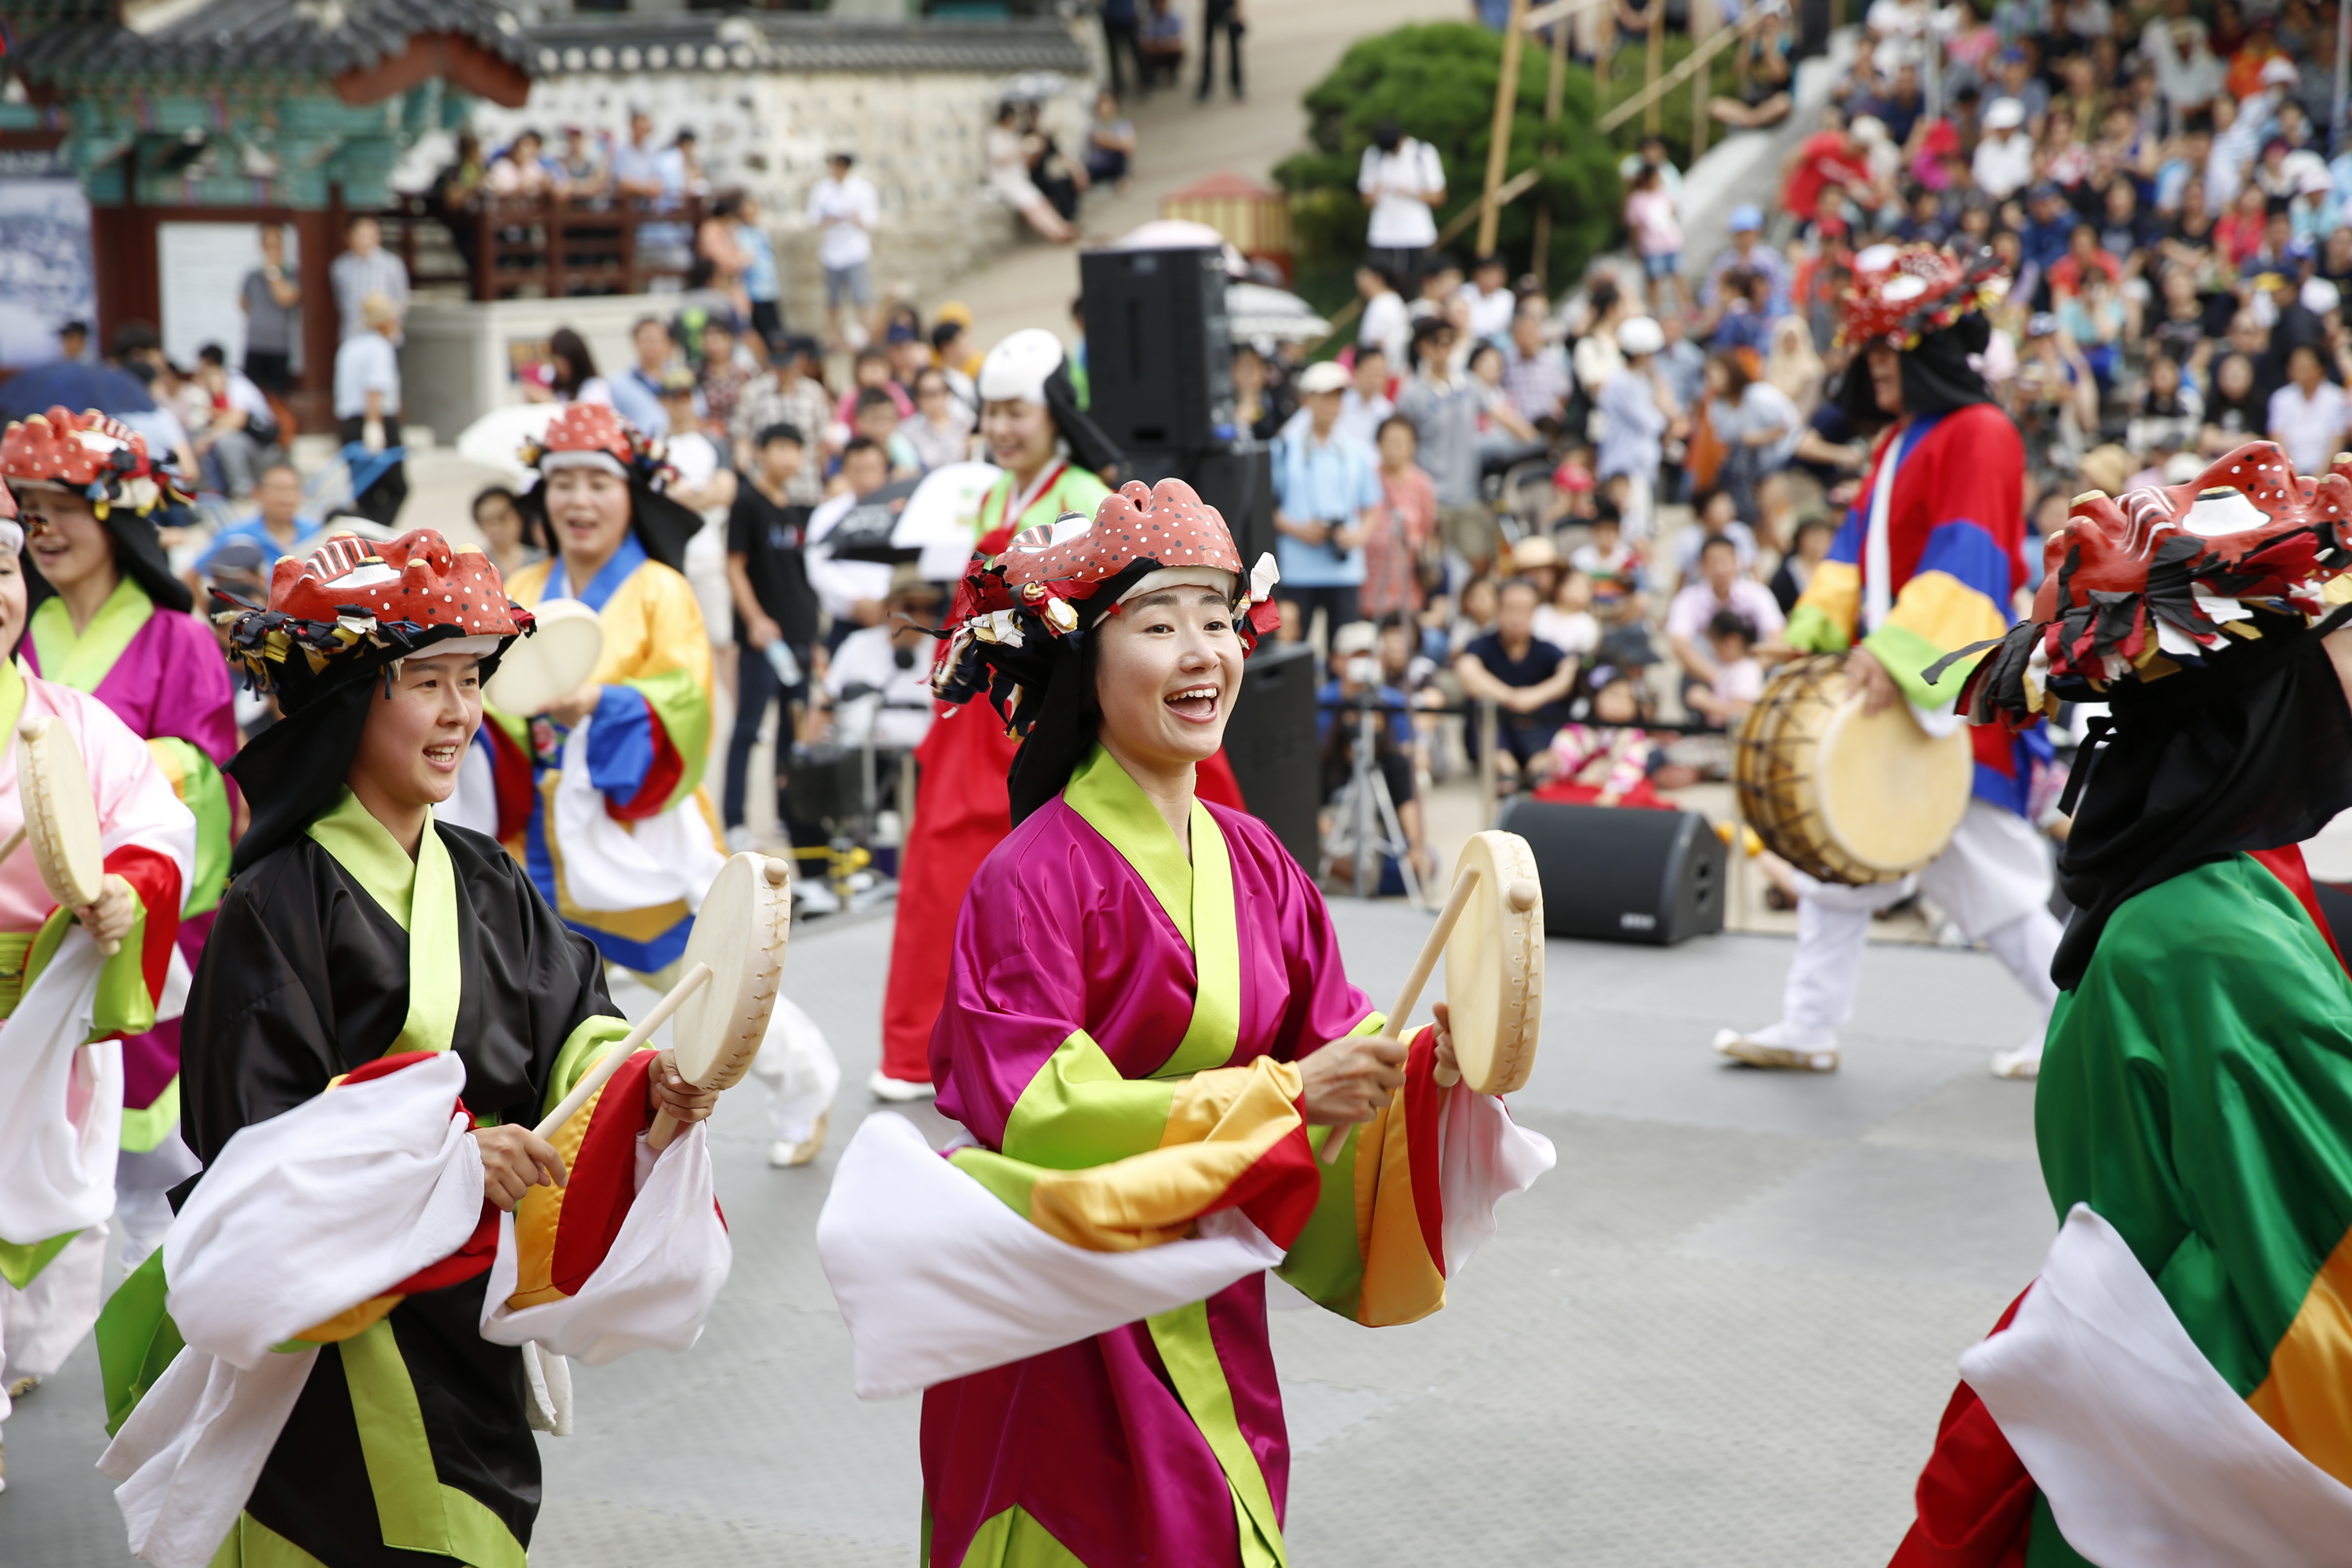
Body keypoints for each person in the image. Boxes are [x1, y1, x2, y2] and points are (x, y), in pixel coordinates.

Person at [823, 475, 1551, 1564]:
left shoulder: (1256, 860)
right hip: (1063, 1317)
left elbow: (1335, 1057)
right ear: (1088, 661)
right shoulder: (1031, 876)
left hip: (1209, 1303)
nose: (1203, 650)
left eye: (1220, 619)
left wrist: (1425, 1073)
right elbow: (1040, 1110)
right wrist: (1293, 1097)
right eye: (1159, 624)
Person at [94, 526, 726, 1563]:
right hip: (335, 1340)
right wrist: (442, 1164)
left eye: (470, 680)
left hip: (465, 1316)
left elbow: (577, 1029)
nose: (458, 714)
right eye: (424, 681)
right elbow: (258, 1154)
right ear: (349, 701)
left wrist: (644, 1086)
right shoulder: (274, 904)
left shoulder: (487, 876)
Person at [1885, 445, 2352, 1566]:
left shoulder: (2205, 893)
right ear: (2268, 688)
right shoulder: (2214, 943)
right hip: (2202, 1460)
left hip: (2146, 1432)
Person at [1714, 245, 2065, 1080]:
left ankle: (2075, 1020)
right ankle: (1809, 1023)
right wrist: (1810, 638)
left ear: (1926, 348)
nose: (1872, 368)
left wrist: (1893, 656)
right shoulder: (1906, 439)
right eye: (1868, 351)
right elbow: (1847, 559)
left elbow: (1966, 560)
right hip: (1902, 685)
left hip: (1941, 688)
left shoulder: (1980, 432)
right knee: (1841, 875)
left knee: (1997, 882)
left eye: (1885, 350)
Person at [0, 464, 195, 1494]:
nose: (24, 556)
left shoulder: (76, 713)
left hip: (54, 997)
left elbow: (166, 816)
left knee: (72, 1209)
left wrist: (131, 885)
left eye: (5, 559)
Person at [873, 329, 1134, 1098]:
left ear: (1055, 410)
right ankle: (928, 1043)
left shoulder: (1086, 492)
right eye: (992, 411)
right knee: (941, 868)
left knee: (1047, 880)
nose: (1004, 427)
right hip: (977, 707)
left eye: (1018, 409)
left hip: (1039, 710)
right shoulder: (993, 491)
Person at [5, 405, 232, 1266]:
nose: (41, 530)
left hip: (139, 911)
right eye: (27, 512)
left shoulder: (178, 637)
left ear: (114, 511)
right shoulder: (22, 636)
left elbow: (210, 777)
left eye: (58, 507)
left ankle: (170, 1299)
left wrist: (101, 781)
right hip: (32, 927)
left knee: (145, 1150)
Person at [497, 404, 723, 980]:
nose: (579, 501)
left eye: (599, 484)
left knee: (709, 996)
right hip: (535, 839)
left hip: (636, 822)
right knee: (546, 1017)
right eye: (563, 483)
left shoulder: (660, 590)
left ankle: (808, 1074)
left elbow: (687, 700)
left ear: (632, 496)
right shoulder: (520, 586)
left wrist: (602, 703)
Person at [724, 422, 819, 855]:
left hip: (799, 635)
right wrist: (756, 619)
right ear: (761, 451)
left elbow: (804, 578)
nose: (788, 457)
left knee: (791, 731)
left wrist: (815, 637)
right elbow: (735, 566)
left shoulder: (799, 510)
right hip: (763, 639)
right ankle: (735, 821)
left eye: (795, 448)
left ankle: (787, 814)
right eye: (780, 446)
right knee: (748, 728)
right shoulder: (747, 503)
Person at [1271, 360, 1380, 647]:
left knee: (1346, 648)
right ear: (1307, 399)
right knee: (1292, 645)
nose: (1331, 405)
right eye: (1324, 397)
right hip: (1297, 565)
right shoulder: (1284, 447)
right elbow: (1266, 506)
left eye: (1338, 397)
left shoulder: (1357, 452)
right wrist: (1298, 530)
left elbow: (1373, 505)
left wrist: (1359, 535)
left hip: (1343, 565)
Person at [1454, 575, 1581, 786]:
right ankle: (1505, 768)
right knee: (1485, 706)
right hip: (1497, 737)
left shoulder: (1546, 649)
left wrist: (1533, 697)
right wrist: (1511, 697)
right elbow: (1467, 670)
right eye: (1510, 608)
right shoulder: (1482, 645)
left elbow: (1569, 672)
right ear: (1498, 610)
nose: (1516, 617)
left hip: (1536, 732)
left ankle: (1539, 764)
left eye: (1524, 609)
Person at [1396, 316, 1494, 570]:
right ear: (1422, 347)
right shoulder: (1411, 394)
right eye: (1436, 342)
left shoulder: (1469, 384)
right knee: (1433, 571)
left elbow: (1500, 414)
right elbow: (1400, 442)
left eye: (1448, 342)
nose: (1443, 348)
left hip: (1468, 494)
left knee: (1479, 565)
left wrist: (1539, 440)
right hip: (1432, 499)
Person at [823, 564, 941, 753]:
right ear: (888, 609)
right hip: (864, 759)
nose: (919, 618)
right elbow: (825, 705)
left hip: (929, 760)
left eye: (928, 609)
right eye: (910, 607)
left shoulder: (943, 652)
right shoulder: (857, 645)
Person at [1595, 315, 1677, 540]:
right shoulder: (1621, 382)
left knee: (1644, 530)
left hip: (1641, 468)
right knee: (1632, 533)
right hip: (1625, 469)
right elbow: (1653, 422)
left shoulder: (1638, 379)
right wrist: (1663, 402)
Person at [728, 338, 833, 500]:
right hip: (764, 488)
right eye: (778, 364)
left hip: (807, 487)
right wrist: (749, 474)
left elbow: (822, 443)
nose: (782, 369)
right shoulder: (753, 391)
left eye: (787, 363)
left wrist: (823, 478)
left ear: (800, 360)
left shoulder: (814, 393)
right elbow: (742, 438)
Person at [333, 292, 405, 526]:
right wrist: (374, 427)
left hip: (349, 424)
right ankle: (375, 540)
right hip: (375, 421)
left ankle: (364, 540)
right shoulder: (379, 347)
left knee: (365, 492)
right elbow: (373, 390)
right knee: (397, 488)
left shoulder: (349, 345)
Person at [1362, 413, 1436, 620]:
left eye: (1402, 442)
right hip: (1369, 583)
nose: (1396, 447)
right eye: (1391, 441)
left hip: (1407, 584)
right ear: (1379, 444)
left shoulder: (1422, 484)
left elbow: (1428, 529)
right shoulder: (1366, 478)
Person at [197, 460, 324, 579]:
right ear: (258, 493)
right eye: (278, 489)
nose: (287, 498)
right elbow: (195, 572)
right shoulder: (235, 535)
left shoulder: (317, 533)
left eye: (293, 489)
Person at [1359, 122, 1445, 286]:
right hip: (1383, 234)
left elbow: (1439, 197)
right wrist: (1376, 192)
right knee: (1382, 284)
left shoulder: (1422, 152)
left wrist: (1411, 192)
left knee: (1417, 284)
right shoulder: (1373, 155)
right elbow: (1365, 199)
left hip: (1418, 233)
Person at [808, 152, 880, 349]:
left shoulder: (862, 189)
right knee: (833, 302)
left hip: (855, 251)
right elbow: (813, 218)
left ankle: (870, 339)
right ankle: (834, 339)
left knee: (863, 298)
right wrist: (829, 220)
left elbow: (872, 220)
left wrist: (856, 218)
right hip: (831, 253)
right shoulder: (822, 189)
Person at [989, 101, 1076, 245]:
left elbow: (1027, 164)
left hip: (1019, 179)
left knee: (1041, 202)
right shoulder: (995, 136)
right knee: (1031, 207)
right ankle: (1055, 233)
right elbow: (1000, 160)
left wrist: (1033, 152)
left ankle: (1061, 227)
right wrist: (1020, 149)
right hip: (1005, 182)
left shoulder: (1014, 137)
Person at [237, 223, 300, 397]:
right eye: (268, 244)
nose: (271, 249)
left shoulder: (292, 274)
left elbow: (285, 298)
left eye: (276, 244)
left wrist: (273, 271)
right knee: (252, 395)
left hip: (279, 347)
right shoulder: (252, 275)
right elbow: (244, 304)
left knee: (276, 398)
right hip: (254, 344)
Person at [2267, 341, 2347, 476]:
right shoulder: (2280, 398)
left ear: (2320, 369)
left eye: (2304, 367)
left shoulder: (2337, 398)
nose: (2298, 371)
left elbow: (2337, 440)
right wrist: (2293, 476)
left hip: (2326, 472)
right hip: (2290, 472)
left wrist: (2320, 476)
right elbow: (2277, 439)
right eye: (2295, 366)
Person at [327, 214, 406, 342]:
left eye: (369, 235)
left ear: (378, 237)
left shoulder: (392, 264)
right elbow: (339, 299)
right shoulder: (340, 267)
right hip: (353, 335)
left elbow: (401, 299)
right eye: (360, 235)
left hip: (385, 337)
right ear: (348, 237)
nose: (365, 241)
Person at [609, 316, 676, 438]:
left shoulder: (682, 377)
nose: (651, 345)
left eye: (656, 340)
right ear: (635, 342)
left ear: (668, 343)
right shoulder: (619, 383)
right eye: (646, 340)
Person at [470, 483, 539, 582]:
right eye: (489, 521)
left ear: (518, 517)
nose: (497, 527)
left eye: (503, 518)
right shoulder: (475, 566)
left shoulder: (541, 561)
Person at [1083, 89, 1138, 188]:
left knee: (1120, 156)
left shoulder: (1123, 123)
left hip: (1115, 162)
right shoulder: (1094, 125)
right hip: (1098, 165)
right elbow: (1099, 140)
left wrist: (1111, 140)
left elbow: (1130, 146)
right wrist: (1118, 142)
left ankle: (1123, 179)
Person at [1196, 0, 1243, 100]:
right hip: (1212, 5)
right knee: (1208, 48)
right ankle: (1206, 84)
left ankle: (1236, 82)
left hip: (1228, 6)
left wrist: (1238, 11)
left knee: (1234, 46)